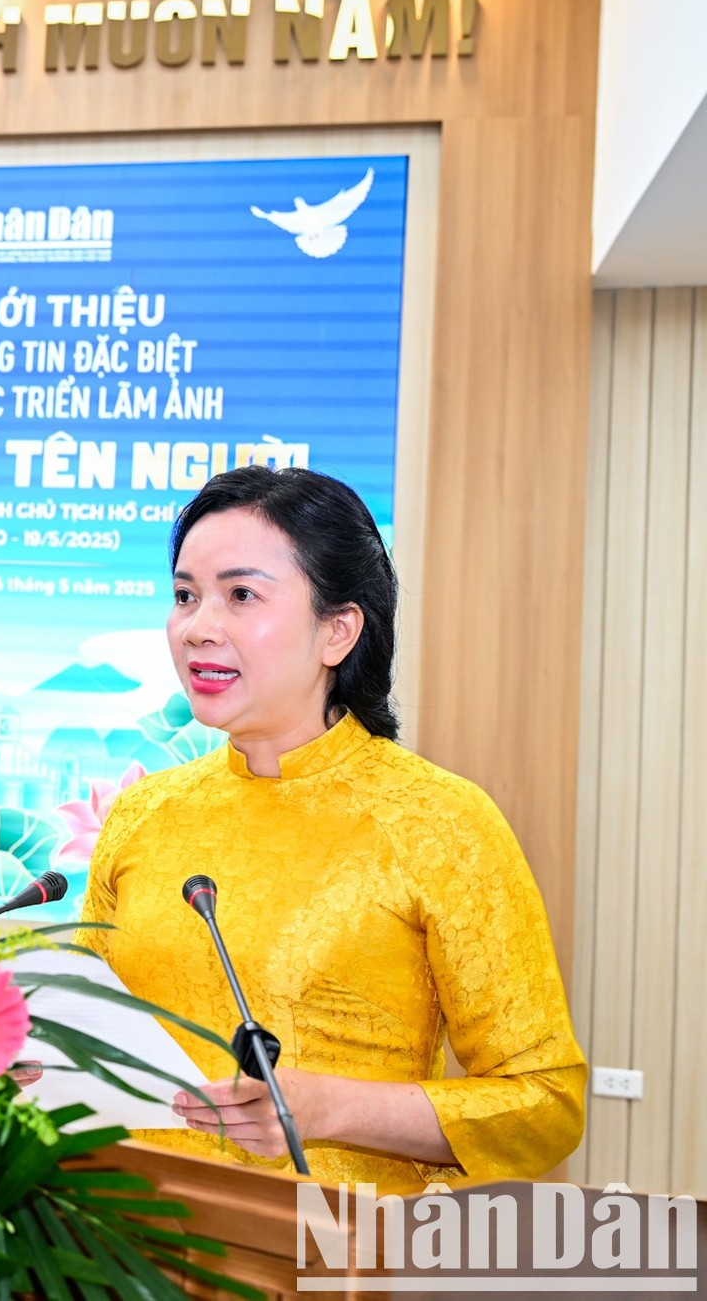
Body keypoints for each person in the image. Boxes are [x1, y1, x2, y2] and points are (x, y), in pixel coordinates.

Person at [78, 466, 585, 1190]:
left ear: (338, 630)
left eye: (241, 595)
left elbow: (546, 1104)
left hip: (329, 1258)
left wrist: (328, 1106)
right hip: (119, 1243)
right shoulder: (142, 812)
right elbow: (96, 1028)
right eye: (185, 595)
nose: (197, 627)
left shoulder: (439, 820)